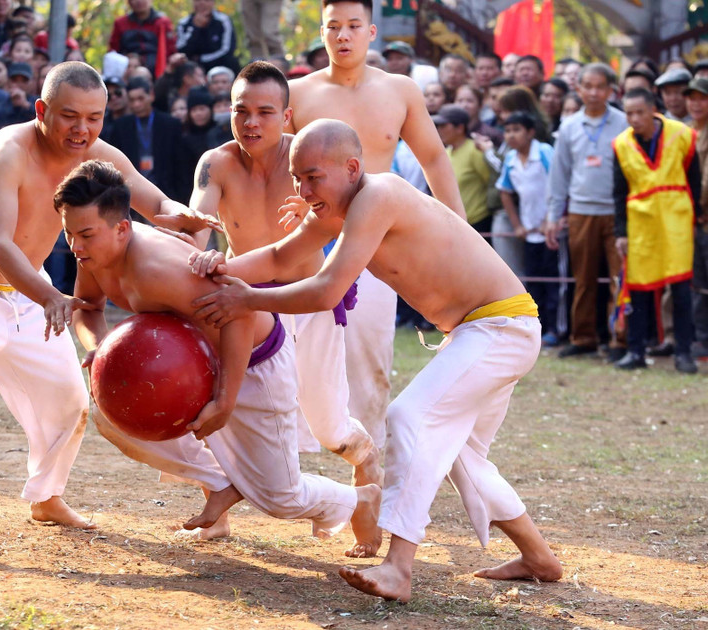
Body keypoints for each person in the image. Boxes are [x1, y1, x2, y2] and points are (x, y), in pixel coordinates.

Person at [189, 119, 563, 601]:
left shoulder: (379, 195)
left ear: (351, 168)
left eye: (313, 177)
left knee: (410, 418)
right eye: (297, 177)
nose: (303, 190)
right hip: (481, 331)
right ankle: (539, 557)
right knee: (463, 457)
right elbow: (282, 258)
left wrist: (248, 301)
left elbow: (327, 291)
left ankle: (398, 568)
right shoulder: (339, 207)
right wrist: (222, 266)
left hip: (501, 326)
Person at [0, 61, 216, 541]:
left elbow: (154, 203)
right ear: (42, 109)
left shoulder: (98, 156)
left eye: (94, 118)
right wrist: (51, 296)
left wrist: (183, 215)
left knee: (70, 399)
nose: (83, 129)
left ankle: (47, 496)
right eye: (70, 116)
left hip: (27, 290)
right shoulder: (8, 151)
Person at [62, 159, 382, 551]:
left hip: (255, 360)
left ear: (122, 228)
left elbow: (240, 313)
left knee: (282, 498)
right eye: (69, 234)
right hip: (196, 366)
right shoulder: (95, 256)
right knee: (110, 413)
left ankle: (360, 500)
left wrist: (225, 402)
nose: (76, 246)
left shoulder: (158, 270)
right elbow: (88, 308)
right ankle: (221, 483)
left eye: (86, 235)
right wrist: (101, 351)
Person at [186, 62, 382, 549]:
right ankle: (217, 502)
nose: (251, 122)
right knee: (211, 399)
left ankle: (368, 467)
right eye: (241, 111)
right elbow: (198, 215)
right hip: (244, 307)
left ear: (286, 115)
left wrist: (320, 214)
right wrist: (200, 244)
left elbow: (357, 213)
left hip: (306, 299)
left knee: (328, 425)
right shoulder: (217, 162)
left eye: (264, 112)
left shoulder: (309, 157)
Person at [285, 0, 466, 453]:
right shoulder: (298, 93)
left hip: (376, 242)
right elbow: (271, 160)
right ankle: (291, 458)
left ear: (371, 31)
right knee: (293, 352)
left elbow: (434, 159)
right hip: (307, 236)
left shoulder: (400, 90)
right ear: (322, 32)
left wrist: (458, 231)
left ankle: (370, 461)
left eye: (352, 26)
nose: (342, 36)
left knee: (371, 356)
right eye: (333, 27)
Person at [612, 89, 701, 374]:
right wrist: (620, 232)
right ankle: (635, 350)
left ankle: (683, 353)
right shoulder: (621, 144)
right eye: (629, 113)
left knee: (681, 290)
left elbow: (694, 178)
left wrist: (695, 217)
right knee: (638, 287)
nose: (634, 119)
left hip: (676, 221)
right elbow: (618, 191)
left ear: (653, 110)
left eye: (639, 112)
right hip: (640, 222)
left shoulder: (682, 134)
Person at [546, 63, 629, 361]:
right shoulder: (569, 126)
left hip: (617, 212)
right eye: (588, 86)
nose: (594, 92)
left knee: (621, 279)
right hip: (580, 210)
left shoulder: (623, 123)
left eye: (600, 87)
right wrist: (554, 215)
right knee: (583, 279)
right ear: (578, 89)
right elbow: (560, 175)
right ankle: (583, 337)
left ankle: (620, 339)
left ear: (611, 90)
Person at [497, 112, 559, 345]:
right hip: (530, 233)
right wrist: (517, 224)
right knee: (533, 282)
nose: (511, 135)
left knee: (554, 282)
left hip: (551, 231)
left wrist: (550, 219)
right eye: (508, 130)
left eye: (517, 130)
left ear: (530, 132)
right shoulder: (511, 159)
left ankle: (555, 329)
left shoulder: (543, 152)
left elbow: (557, 183)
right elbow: (505, 190)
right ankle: (538, 329)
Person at [107, 78, 190, 204]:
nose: (136, 104)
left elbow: (180, 165)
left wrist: (181, 199)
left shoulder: (170, 124)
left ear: (151, 95)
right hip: (132, 195)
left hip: (166, 192)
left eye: (140, 99)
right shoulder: (121, 126)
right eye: (132, 100)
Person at [434, 104, 494, 235]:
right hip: (453, 224)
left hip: (479, 223)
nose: (439, 130)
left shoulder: (474, 150)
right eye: (437, 126)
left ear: (460, 128)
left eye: (443, 126)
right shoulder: (446, 153)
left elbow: (490, 182)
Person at [687, 77, 708, 359]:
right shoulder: (685, 131)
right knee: (698, 283)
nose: (695, 103)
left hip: (701, 215)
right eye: (692, 98)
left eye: (701, 97)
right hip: (690, 220)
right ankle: (702, 339)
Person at [109, 0, 176, 79]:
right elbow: (113, 51)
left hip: (156, 71)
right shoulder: (120, 23)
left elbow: (170, 50)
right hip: (126, 71)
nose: (139, 1)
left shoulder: (163, 23)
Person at [176, 0, 240, 73]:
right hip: (192, 66)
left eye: (207, 0)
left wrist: (202, 59)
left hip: (219, 63)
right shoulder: (184, 23)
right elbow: (181, 50)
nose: (202, 3)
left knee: (232, 61)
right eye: (198, 0)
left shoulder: (223, 20)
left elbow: (227, 49)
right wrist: (195, 28)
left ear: (213, 2)